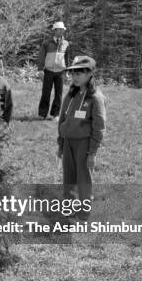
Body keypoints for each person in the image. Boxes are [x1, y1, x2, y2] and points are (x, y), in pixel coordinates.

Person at [56, 56, 106, 221]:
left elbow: (99, 127)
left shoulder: (95, 98)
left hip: (84, 145)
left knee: (83, 178)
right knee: (69, 177)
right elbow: (63, 120)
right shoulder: (70, 95)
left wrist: (92, 153)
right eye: (73, 73)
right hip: (68, 142)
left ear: (90, 74)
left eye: (79, 73)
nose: (75, 77)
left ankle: (84, 213)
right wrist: (61, 143)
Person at [37, 21, 73, 121]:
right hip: (48, 71)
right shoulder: (47, 43)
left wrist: (67, 72)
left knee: (59, 94)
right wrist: (40, 70)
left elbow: (67, 59)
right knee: (46, 93)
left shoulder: (66, 43)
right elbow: (41, 57)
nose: (62, 31)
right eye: (60, 29)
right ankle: (42, 114)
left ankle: (55, 114)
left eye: (63, 30)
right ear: (55, 30)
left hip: (60, 72)